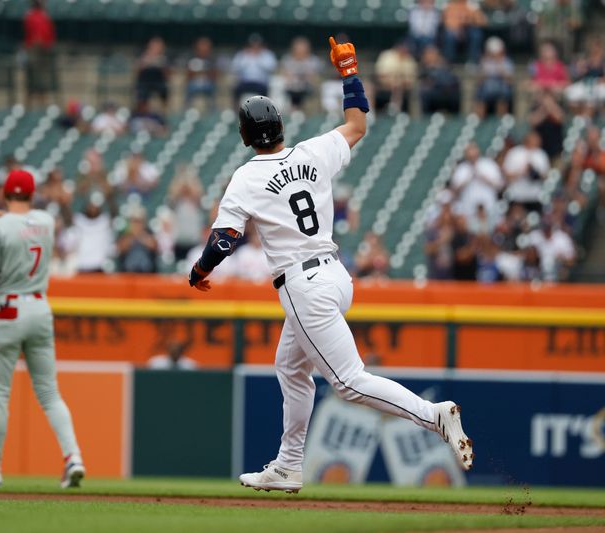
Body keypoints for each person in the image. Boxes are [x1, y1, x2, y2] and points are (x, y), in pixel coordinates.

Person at [187, 38, 473, 494]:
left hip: (304, 285)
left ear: (245, 136)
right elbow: (358, 124)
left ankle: (432, 415)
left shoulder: (246, 176)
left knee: (349, 383)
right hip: (336, 275)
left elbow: (225, 239)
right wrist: (349, 72)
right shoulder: (311, 151)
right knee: (291, 367)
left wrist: (199, 272)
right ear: (280, 125)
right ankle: (288, 464)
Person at [0, 169, 85, 488]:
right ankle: (73, 457)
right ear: (32, 196)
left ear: (5, 194)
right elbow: (14, 220)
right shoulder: (45, 222)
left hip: (8, 308)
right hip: (40, 308)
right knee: (49, 392)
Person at [450, 142, 504, 219]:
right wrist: (467, 180)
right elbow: (454, 192)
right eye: (469, 152)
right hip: (468, 211)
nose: (472, 155)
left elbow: (500, 185)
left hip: (489, 207)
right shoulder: (461, 169)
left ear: (478, 151)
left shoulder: (489, 164)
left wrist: (484, 178)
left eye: (473, 151)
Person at [23, 0, 57, 103]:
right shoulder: (31, 16)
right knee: (32, 83)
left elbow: (50, 36)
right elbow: (35, 37)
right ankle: (30, 108)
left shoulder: (44, 16)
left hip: (44, 52)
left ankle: (42, 107)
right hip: (35, 51)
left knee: (42, 83)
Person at [231, 34, 277, 105]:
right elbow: (235, 67)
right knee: (236, 89)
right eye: (252, 45)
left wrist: (259, 57)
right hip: (245, 82)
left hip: (261, 82)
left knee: (264, 91)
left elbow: (271, 67)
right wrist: (247, 57)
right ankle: (235, 110)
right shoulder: (242, 54)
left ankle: (263, 110)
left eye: (257, 45)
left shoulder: (267, 54)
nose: (255, 47)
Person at [475, 37, 514, 117]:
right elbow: (479, 81)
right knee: (480, 92)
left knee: (504, 92)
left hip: (501, 88)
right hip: (487, 89)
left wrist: (499, 66)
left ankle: (501, 120)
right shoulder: (484, 61)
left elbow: (510, 81)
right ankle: (478, 120)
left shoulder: (507, 62)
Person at [374, 41, 417, 114]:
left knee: (398, 87)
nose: (403, 50)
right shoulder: (387, 55)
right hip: (383, 84)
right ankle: (370, 113)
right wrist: (390, 81)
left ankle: (395, 110)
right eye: (402, 47)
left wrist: (398, 81)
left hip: (401, 87)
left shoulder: (409, 60)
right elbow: (379, 73)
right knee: (367, 87)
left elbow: (410, 80)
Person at [281, 37, 322, 110]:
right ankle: (286, 111)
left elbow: (315, 77)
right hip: (291, 87)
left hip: (307, 87)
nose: (300, 51)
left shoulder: (313, 60)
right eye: (298, 48)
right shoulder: (288, 59)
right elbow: (285, 75)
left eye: (303, 48)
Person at [419, 45, 461, 114]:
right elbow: (424, 80)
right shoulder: (424, 68)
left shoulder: (444, 66)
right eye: (429, 54)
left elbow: (452, 78)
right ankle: (426, 118)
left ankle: (455, 118)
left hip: (448, 91)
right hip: (433, 92)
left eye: (433, 54)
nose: (431, 56)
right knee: (425, 92)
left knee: (455, 94)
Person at [442, 0, 486, 65]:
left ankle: (472, 61)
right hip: (454, 31)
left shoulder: (472, 5)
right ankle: (449, 61)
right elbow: (447, 23)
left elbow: (482, 22)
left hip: (468, 31)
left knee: (476, 34)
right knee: (449, 35)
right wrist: (458, 28)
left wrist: (467, 21)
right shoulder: (450, 5)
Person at [135, 37, 170, 108]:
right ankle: (142, 113)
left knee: (164, 91)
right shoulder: (143, 57)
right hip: (145, 82)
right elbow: (137, 71)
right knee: (142, 93)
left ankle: (163, 114)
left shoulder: (163, 58)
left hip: (159, 82)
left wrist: (161, 65)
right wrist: (146, 62)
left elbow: (167, 75)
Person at [185, 37, 219, 109]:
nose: (203, 49)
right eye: (201, 47)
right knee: (188, 90)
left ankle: (213, 112)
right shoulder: (192, 59)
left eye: (205, 47)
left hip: (208, 85)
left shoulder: (212, 60)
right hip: (194, 84)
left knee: (214, 90)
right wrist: (198, 73)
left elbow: (214, 76)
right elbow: (189, 76)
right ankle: (186, 110)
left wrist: (206, 72)